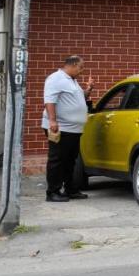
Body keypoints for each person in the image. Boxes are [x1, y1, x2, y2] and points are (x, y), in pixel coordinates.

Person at [42, 54, 94, 202]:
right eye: (80, 67)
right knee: (57, 159)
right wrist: (52, 121)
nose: (82, 70)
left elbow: (78, 99)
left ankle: (71, 189)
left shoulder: (72, 81)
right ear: (71, 65)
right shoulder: (55, 79)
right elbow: (49, 100)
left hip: (73, 129)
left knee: (71, 160)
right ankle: (52, 192)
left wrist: (88, 90)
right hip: (60, 128)